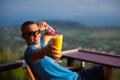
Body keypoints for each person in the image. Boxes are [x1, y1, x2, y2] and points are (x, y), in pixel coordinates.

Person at [21, 21, 104, 80]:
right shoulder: (29, 52)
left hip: (73, 75)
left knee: (105, 69)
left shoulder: (41, 44)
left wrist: (46, 25)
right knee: (106, 70)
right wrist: (46, 51)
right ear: (23, 36)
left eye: (37, 31)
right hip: (72, 78)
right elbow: (37, 55)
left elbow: (53, 32)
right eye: (31, 34)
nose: (36, 35)